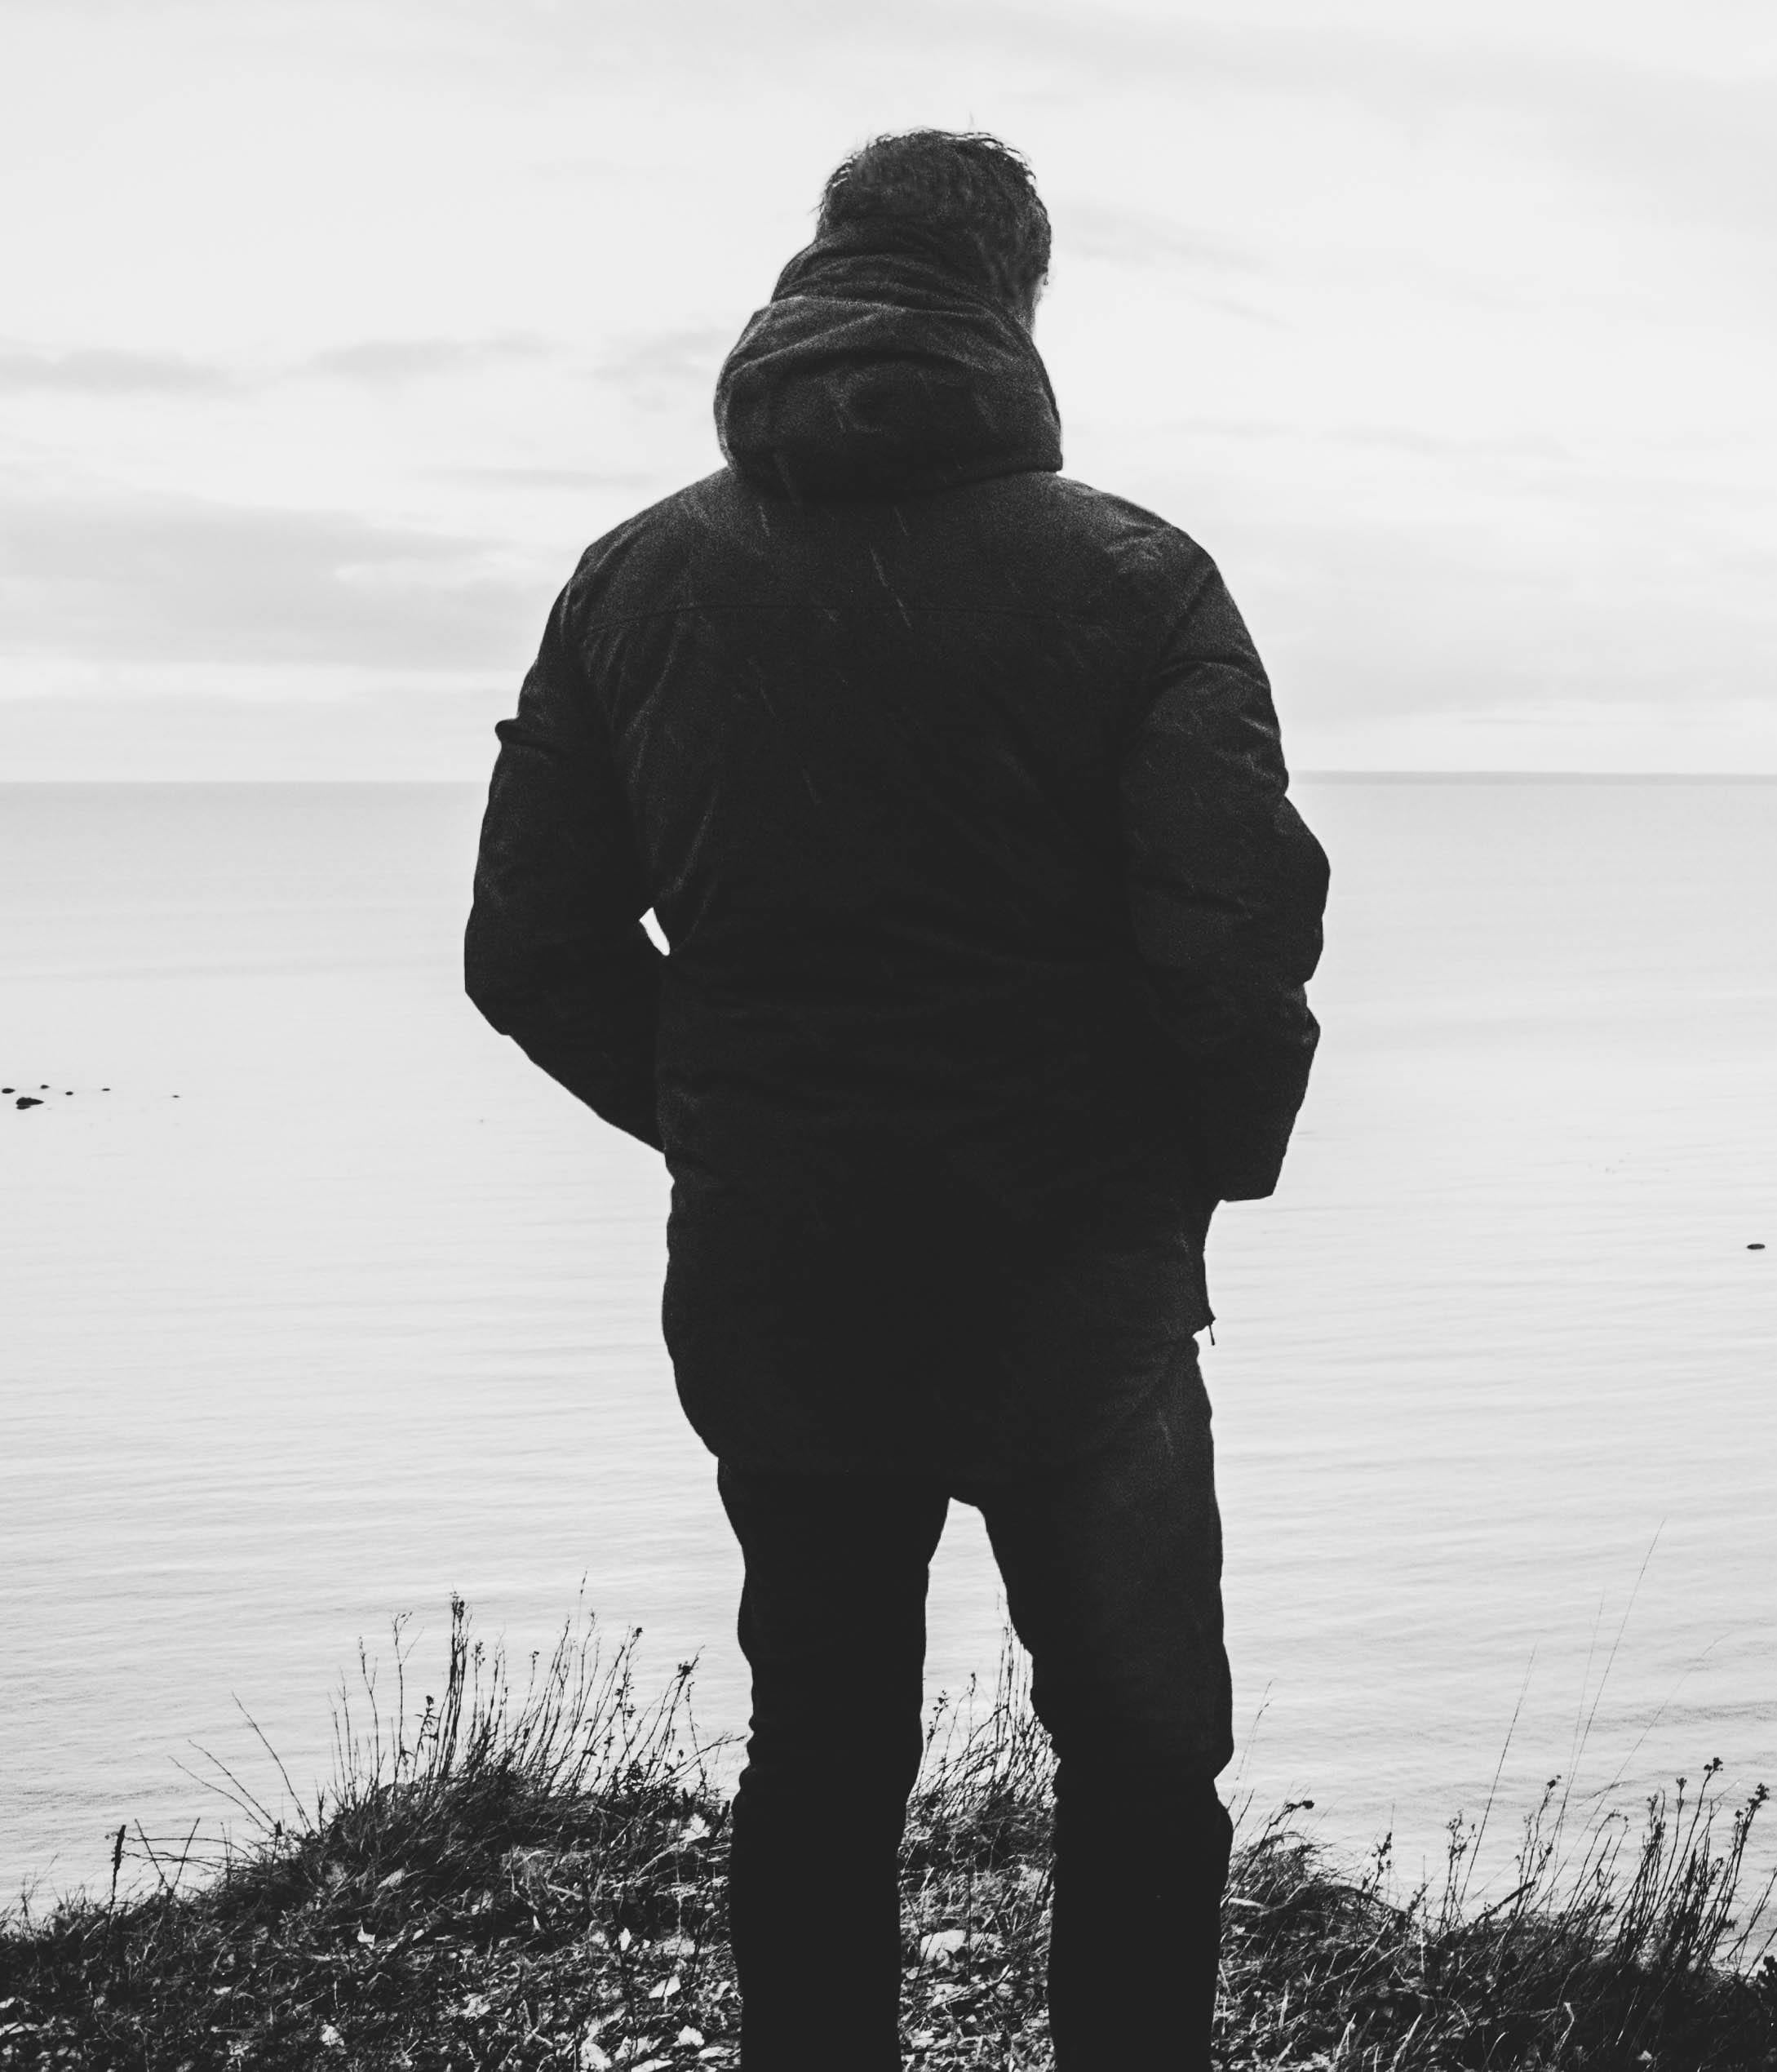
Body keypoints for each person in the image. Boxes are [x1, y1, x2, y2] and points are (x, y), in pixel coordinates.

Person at [464, 130, 1327, 2070]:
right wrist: (1201, 1165)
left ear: (817, 271)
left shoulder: (635, 579)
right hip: (1075, 1276)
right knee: (1138, 1748)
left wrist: (732, 1114)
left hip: (787, 1264)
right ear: (1017, 297)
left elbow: (532, 949)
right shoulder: (1136, 574)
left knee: (825, 1740)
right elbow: (1232, 933)